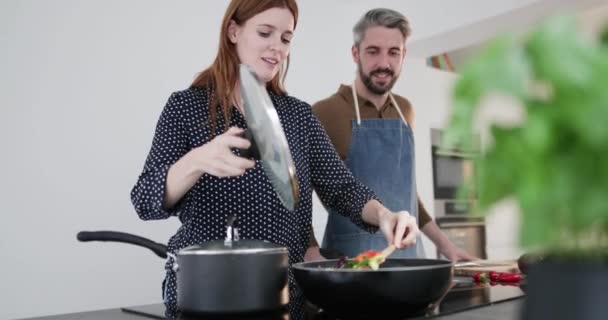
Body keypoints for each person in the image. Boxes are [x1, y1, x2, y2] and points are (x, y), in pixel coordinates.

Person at [130, 1, 419, 319]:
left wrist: (385, 215)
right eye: (265, 32)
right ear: (234, 31)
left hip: (283, 297)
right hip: (205, 296)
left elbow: (343, 188)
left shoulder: (298, 116)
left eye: (286, 38)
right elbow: (144, 200)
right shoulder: (186, 107)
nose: (277, 48)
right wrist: (196, 161)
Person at [305, 8, 476, 262]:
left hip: (408, 255)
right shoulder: (324, 112)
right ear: (356, 53)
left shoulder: (405, 110)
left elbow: (408, 195)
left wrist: (445, 245)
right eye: (373, 51)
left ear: (403, 55)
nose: (384, 64)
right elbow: (296, 192)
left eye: (393, 52)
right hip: (350, 261)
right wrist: (311, 250)